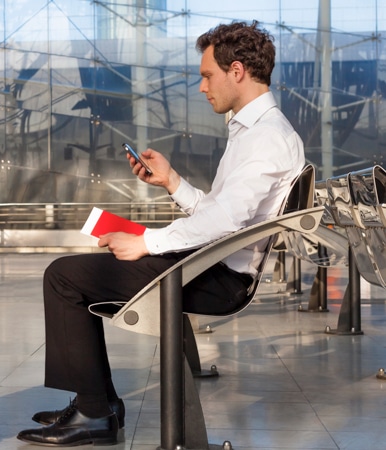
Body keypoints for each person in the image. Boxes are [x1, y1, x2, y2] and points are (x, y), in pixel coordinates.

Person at [16, 21, 306, 447]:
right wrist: (172, 182)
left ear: (237, 71)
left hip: (218, 279)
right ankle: (99, 403)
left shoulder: (266, 138)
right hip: (211, 264)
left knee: (64, 277)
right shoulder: (255, 131)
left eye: (208, 75)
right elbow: (225, 215)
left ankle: (95, 411)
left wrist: (146, 242)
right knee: (75, 270)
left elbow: (225, 222)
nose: (202, 86)